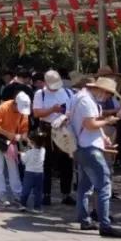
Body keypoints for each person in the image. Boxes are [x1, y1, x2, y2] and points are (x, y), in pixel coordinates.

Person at [70, 76, 121, 238]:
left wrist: (103, 137)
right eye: (108, 94)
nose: (108, 97)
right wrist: (107, 120)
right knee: (104, 185)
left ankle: (85, 219)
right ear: (101, 90)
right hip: (90, 148)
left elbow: (89, 123)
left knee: (85, 186)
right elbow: (90, 124)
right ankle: (105, 224)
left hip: (82, 146)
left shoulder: (79, 97)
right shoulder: (87, 101)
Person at [31, 69, 76, 205]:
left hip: (64, 128)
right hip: (47, 129)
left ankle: (66, 193)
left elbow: (72, 110)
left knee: (67, 163)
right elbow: (37, 113)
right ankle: (46, 193)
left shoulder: (68, 92)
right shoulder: (41, 94)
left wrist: (65, 116)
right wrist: (52, 109)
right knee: (47, 162)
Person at [0, 90, 28, 206]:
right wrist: (9, 135)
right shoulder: (3, 108)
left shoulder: (23, 110)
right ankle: (1, 195)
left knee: (13, 167)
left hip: (11, 141)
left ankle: (17, 194)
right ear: (15, 103)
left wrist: (22, 138)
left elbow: (24, 128)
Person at [18, 130, 46, 213]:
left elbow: (24, 161)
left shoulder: (29, 152)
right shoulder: (43, 150)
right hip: (40, 173)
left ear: (32, 142)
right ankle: (37, 207)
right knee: (38, 191)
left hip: (29, 173)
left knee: (26, 190)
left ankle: (22, 205)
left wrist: (22, 154)